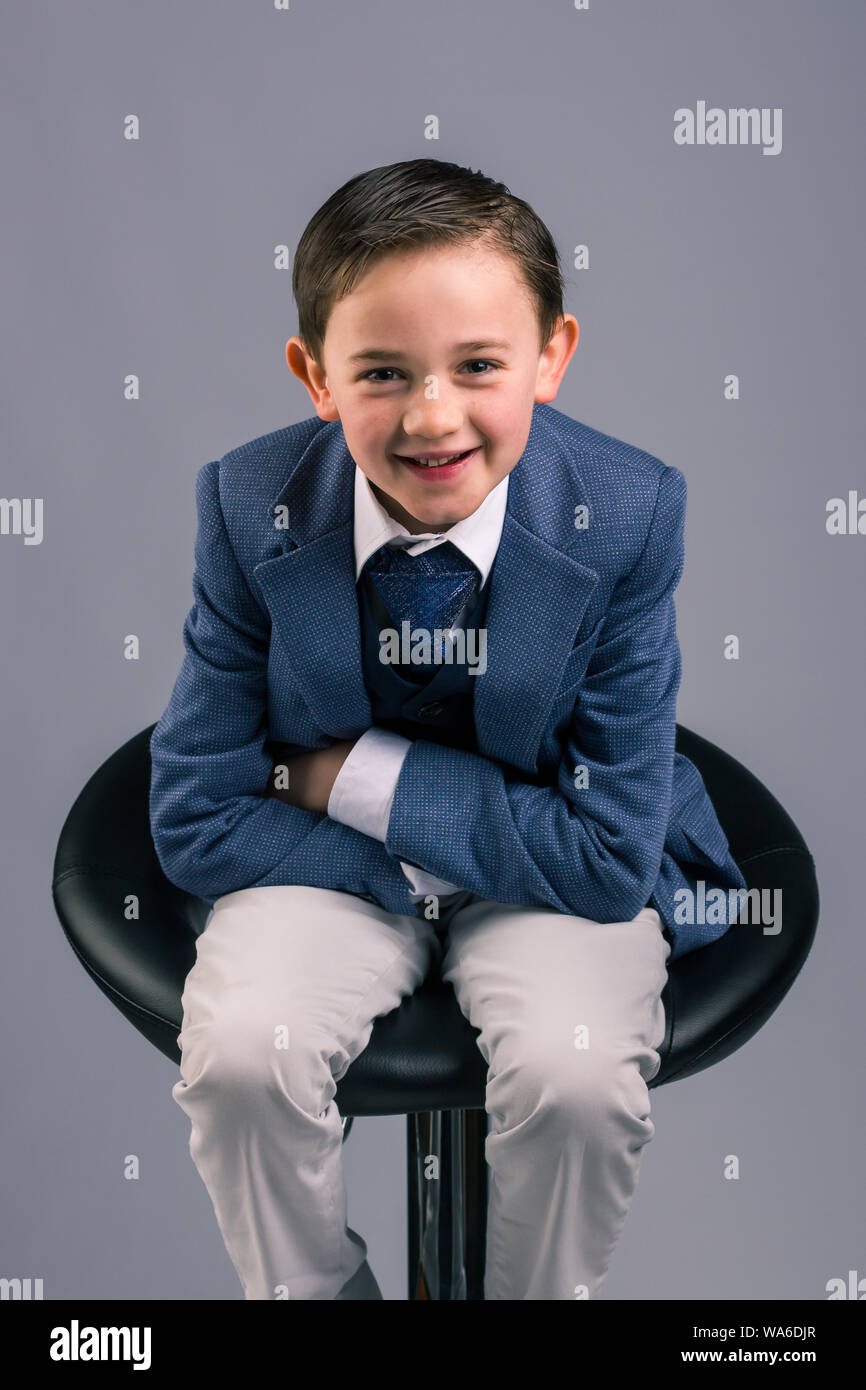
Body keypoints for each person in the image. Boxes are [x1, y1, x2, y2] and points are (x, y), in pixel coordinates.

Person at [149, 157, 746, 1300]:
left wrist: (346, 776)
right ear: (313, 375)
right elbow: (194, 813)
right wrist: (421, 863)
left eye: (478, 365)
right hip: (342, 868)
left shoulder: (626, 513)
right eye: (380, 372)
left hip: (549, 871)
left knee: (575, 1082)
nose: (432, 417)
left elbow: (605, 852)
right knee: (238, 1060)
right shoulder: (246, 502)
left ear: (550, 358)